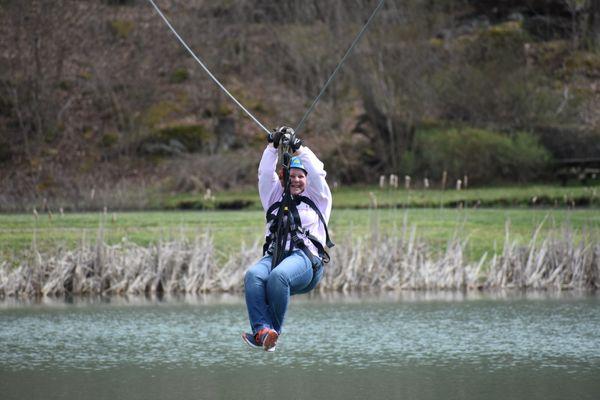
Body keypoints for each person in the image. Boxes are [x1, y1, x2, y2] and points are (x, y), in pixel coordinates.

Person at [242, 126, 333, 352]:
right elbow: (265, 174)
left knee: (278, 276)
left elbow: (318, 172)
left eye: (301, 177)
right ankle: (262, 331)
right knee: (253, 275)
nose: (296, 180)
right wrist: (272, 147)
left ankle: (273, 334)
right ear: (284, 178)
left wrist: (300, 149)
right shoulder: (273, 196)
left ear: (307, 180)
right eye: (291, 176)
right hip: (275, 256)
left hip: (306, 262)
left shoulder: (318, 198)